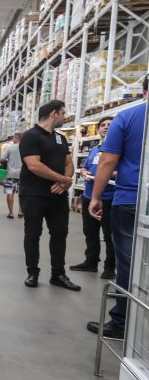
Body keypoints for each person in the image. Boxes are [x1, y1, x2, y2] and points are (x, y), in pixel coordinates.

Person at [87, 77, 147, 339]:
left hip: (131, 198)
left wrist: (95, 196)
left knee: (129, 263)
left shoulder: (127, 117)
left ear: (143, 90)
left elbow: (107, 161)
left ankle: (122, 322)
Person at [19, 100, 79, 291]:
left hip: (57, 197)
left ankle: (58, 274)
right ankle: (32, 272)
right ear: (54, 114)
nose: (65, 116)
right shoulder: (30, 136)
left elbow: (69, 163)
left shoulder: (60, 138)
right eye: (63, 113)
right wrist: (62, 179)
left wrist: (64, 180)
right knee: (33, 234)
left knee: (60, 234)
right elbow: (34, 165)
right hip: (34, 195)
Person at [70, 117, 116, 279]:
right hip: (89, 195)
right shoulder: (95, 149)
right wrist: (83, 172)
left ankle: (110, 267)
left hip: (109, 198)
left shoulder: (119, 149)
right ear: (98, 130)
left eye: (110, 125)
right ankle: (91, 262)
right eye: (103, 125)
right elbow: (86, 166)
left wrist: (104, 175)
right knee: (90, 232)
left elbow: (122, 171)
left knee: (109, 234)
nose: (106, 128)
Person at [0, 133, 23, 219]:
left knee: (10, 192)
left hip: (10, 174)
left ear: (15, 138)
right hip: (22, 175)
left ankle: (11, 213)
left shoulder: (9, 148)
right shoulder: (25, 147)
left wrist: (7, 161)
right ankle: (20, 211)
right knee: (22, 193)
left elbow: (2, 158)